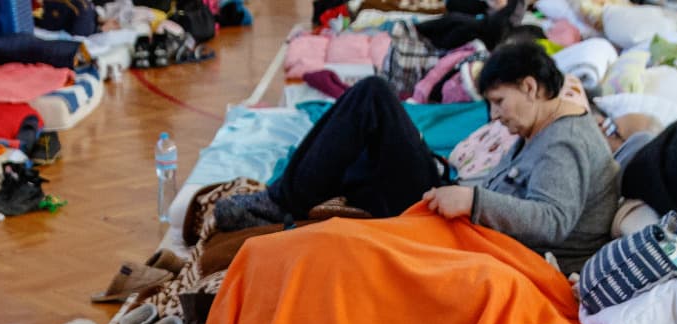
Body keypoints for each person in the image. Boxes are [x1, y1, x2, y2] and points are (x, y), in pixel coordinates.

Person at [213, 40, 620, 270]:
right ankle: (284, 199)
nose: (496, 116)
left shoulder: (565, 144)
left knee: (375, 98)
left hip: (472, 241)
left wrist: (471, 199)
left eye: (499, 102)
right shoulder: (547, 123)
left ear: (530, 88)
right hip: (459, 217)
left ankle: (279, 201)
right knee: (359, 159)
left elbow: (552, 221)